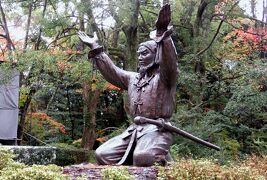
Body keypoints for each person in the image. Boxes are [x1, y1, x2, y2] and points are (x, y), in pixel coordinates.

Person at [78, 4, 178, 166]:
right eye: (138, 54)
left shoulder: (165, 78)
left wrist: (163, 36)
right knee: (102, 155)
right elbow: (113, 72)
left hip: (157, 130)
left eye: (144, 53)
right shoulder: (133, 79)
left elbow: (170, 63)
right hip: (134, 131)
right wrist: (95, 48)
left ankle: (163, 161)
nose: (139, 58)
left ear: (156, 56)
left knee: (143, 158)